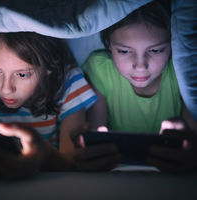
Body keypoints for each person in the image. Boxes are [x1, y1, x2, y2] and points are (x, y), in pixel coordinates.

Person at [73, 1, 197, 173]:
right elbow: (95, 135)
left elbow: (192, 140)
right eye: (124, 51)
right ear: (109, 45)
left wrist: (188, 141)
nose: (140, 66)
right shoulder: (100, 69)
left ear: (172, 45)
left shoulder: (181, 71)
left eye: (155, 51)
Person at [0, 31, 97, 178]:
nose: (6, 89)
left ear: (49, 65)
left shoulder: (68, 83)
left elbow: (72, 160)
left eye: (22, 74)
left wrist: (43, 156)